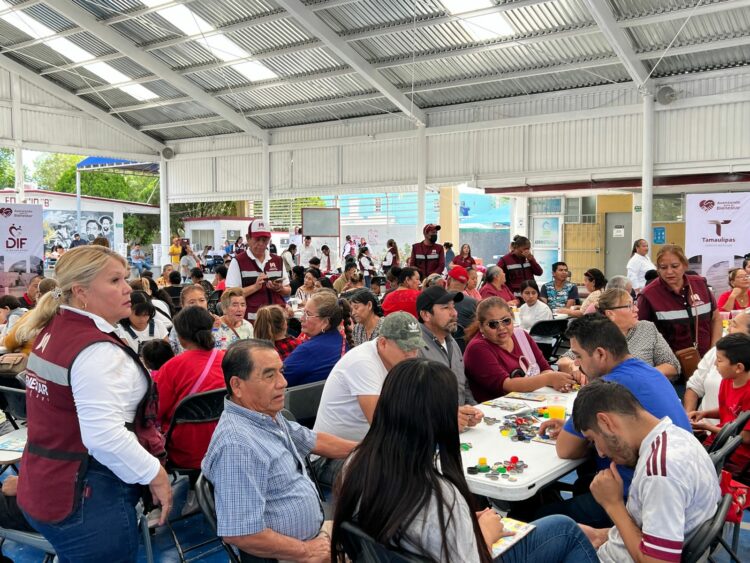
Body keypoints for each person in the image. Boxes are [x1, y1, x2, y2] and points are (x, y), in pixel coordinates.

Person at [331, 358, 600, 563]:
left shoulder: (355, 463)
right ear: (442, 417)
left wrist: (465, 522)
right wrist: (485, 533)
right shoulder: (439, 494)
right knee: (565, 529)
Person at [17, 245, 172, 561]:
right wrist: (155, 474)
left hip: (48, 484)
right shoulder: (96, 351)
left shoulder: (56, 330)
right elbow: (103, 436)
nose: (128, 289)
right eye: (115, 280)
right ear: (81, 292)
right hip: (88, 499)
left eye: (125, 278)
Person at [202, 339, 356, 561]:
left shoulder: (265, 415)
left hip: (314, 534)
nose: (283, 382)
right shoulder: (237, 445)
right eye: (269, 375)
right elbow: (241, 534)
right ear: (237, 386)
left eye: (281, 372)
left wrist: (367, 450)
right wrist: (308, 551)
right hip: (291, 553)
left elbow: (313, 440)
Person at [537, 315, 691, 527]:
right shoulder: (650, 371)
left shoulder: (604, 390)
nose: (577, 364)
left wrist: (580, 434)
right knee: (584, 482)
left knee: (533, 516)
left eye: (579, 356)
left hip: (637, 502)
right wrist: (587, 430)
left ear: (600, 354)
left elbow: (566, 449)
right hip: (679, 492)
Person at [572, 380, 721, 562]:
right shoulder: (677, 436)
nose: (601, 452)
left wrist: (613, 505)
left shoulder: (660, 471)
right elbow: (651, 531)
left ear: (606, 423)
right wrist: (601, 536)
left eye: (593, 440)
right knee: (560, 528)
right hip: (615, 550)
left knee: (550, 528)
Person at [311, 312, 422, 485]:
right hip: (330, 459)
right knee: (402, 478)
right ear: (383, 343)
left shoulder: (398, 361)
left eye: (415, 348)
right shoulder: (363, 363)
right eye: (406, 348)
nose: (412, 354)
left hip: (369, 451)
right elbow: (384, 425)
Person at [155, 306, 225, 469]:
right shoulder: (227, 359)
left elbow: (155, 411)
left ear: (181, 336)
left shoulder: (171, 367)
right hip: (224, 445)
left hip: (185, 451)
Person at [463, 297, 573, 402]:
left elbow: (544, 368)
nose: (501, 327)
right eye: (493, 324)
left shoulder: (521, 335)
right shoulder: (477, 348)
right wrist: (548, 379)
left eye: (506, 321)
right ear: (481, 327)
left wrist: (558, 381)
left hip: (532, 402)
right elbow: (507, 386)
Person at [559, 289, 680, 381]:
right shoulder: (596, 333)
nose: (636, 309)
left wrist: (638, 376)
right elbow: (564, 360)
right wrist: (573, 367)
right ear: (610, 313)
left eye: (635, 303)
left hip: (640, 392)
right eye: (629, 306)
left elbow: (672, 366)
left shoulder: (647, 328)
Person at [416, 286, 484, 432]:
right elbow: (411, 401)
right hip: (432, 431)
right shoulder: (414, 348)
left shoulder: (451, 341)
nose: (454, 313)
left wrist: (472, 409)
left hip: (459, 428)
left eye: (453, 306)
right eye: (446, 308)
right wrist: (446, 417)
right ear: (426, 315)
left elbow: (462, 385)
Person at [637, 244, 721, 359]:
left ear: (685, 265)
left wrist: (713, 352)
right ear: (658, 269)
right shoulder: (648, 295)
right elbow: (640, 334)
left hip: (706, 360)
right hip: (670, 364)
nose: (669, 272)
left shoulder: (699, 284)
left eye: (675, 266)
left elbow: (716, 318)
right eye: (663, 267)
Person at [689, 333, 750, 481]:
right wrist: (704, 413)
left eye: (720, 360)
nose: (715, 364)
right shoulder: (727, 381)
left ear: (738, 367)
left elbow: (745, 438)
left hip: (736, 455)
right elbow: (728, 410)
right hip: (719, 442)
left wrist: (708, 427)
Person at [685, 312, 750, 425]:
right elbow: (694, 387)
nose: (728, 328)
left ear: (739, 367)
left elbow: (742, 431)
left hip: (727, 434)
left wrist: (707, 427)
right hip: (702, 427)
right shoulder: (719, 352)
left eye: (734, 325)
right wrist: (688, 419)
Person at [283, 291, 352, 386]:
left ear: (325, 322)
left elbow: (277, 380)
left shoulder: (308, 350)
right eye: (303, 312)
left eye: (308, 314)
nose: (302, 318)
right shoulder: (342, 341)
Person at [226, 219, 290, 321]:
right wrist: (255, 287)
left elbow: (288, 290)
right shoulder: (238, 262)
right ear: (248, 238)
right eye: (257, 239)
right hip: (253, 321)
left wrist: (279, 288)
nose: (261, 244)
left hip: (277, 319)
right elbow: (229, 295)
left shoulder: (278, 260)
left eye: (265, 240)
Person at [168, 284, 215, 355]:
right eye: (192, 302)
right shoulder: (179, 326)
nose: (198, 305)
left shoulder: (217, 323)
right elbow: (172, 351)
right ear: (183, 305)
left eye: (202, 300)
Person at [118, 290, 169, 355]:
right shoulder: (121, 331)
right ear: (128, 311)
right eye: (137, 315)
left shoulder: (158, 325)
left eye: (146, 315)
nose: (142, 319)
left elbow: (167, 352)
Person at [445, 266, 478, 350]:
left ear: (448, 280)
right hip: (466, 347)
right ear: (465, 285)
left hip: (441, 347)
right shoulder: (473, 302)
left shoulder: (436, 300)